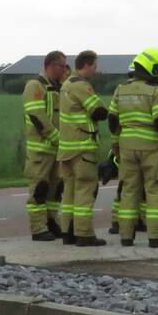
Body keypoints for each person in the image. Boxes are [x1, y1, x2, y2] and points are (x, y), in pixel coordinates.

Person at [108, 49, 158, 247]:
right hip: (150, 148)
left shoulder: (121, 89)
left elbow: (113, 120)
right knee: (156, 190)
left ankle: (126, 236)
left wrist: (115, 143)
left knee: (129, 191)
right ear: (153, 68)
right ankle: (156, 236)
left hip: (126, 147)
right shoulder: (157, 91)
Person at [57, 50, 109, 247]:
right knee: (86, 191)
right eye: (94, 66)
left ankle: (67, 232)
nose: (95, 70)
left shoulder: (66, 85)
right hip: (83, 148)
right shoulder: (81, 86)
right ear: (86, 65)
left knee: (69, 194)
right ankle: (85, 234)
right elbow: (99, 111)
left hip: (66, 149)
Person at [22, 50, 66, 241]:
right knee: (39, 189)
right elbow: (37, 116)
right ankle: (38, 228)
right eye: (62, 66)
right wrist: (57, 137)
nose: (64, 70)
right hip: (41, 149)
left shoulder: (58, 87)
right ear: (50, 66)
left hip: (56, 150)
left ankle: (51, 222)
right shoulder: (35, 86)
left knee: (55, 189)